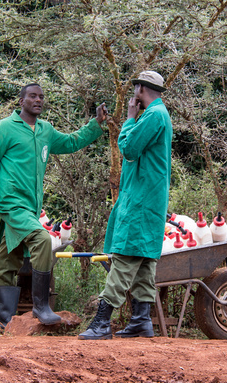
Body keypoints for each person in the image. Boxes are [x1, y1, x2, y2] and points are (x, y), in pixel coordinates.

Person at [0, 83, 107, 329]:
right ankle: (41, 306)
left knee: (8, 258)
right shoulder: (3, 129)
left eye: (41, 97)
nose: (38, 100)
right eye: (33, 96)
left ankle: (2, 321)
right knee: (42, 240)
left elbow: (71, 142)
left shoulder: (45, 130)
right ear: (21, 101)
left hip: (31, 207)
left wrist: (95, 124)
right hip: (11, 203)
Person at [78, 71, 173, 340]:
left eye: (135, 91)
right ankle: (142, 320)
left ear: (140, 89)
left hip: (142, 199)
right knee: (144, 263)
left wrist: (130, 119)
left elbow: (129, 149)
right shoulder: (157, 115)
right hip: (149, 198)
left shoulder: (153, 115)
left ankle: (101, 323)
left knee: (125, 258)